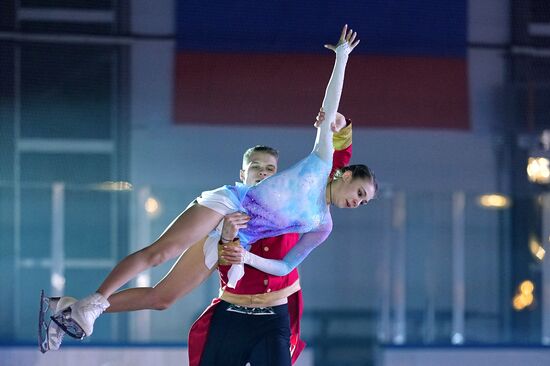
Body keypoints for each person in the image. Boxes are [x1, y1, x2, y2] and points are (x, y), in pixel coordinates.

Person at [42, 24, 376, 346]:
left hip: (233, 238)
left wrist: (245, 256)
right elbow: (330, 106)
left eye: (364, 203)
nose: (358, 202)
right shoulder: (321, 162)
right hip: (228, 204)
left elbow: (286, 265)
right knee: (162, 252)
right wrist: (342, 57)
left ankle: (69, 309)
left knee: (163, 298)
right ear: (345, 175)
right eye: (360, 192)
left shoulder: (323, 224)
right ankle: (96, 300)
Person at [188, 111, 353, 366]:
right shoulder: (223, 209)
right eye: (256, 167)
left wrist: (340, 131)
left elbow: (334, 172)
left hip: (274, 315)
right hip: (232, 312)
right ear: (242, 174)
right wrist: (227, 237)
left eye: (270, 169)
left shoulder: (295, 202)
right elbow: (221, 264)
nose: (263, 173)